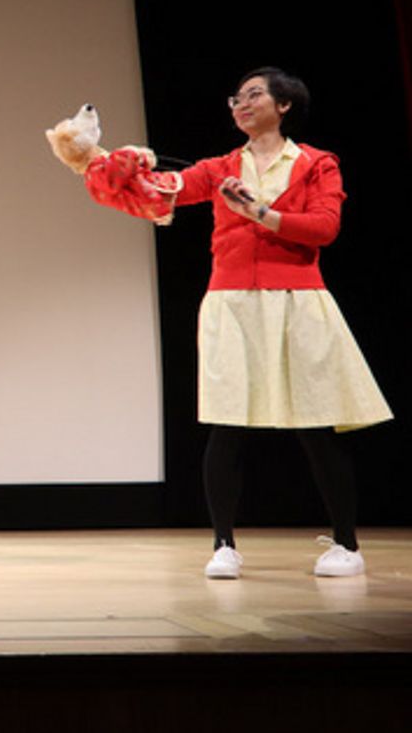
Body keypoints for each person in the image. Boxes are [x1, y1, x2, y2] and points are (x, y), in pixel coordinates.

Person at [142, 67, 391, 579]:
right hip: (231, 301)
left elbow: (324, 228)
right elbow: (165, 189)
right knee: (226, 423)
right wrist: (107, 164)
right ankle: (223, 545)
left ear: (284, 105)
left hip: (298, 301)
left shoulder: (317, 163)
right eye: (236, 96)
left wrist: (261, 213)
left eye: (254, 94)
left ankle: (346, 544)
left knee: (316, 426)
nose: (241, 102)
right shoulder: (219, 167)